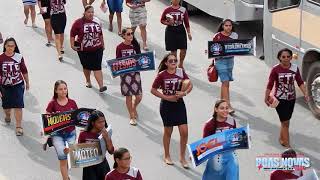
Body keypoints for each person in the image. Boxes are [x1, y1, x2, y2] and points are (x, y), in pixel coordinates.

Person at [151, 53, 193, 168]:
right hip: (166, 106)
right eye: (171, 61)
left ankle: (182, 157)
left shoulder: (180, 72)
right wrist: (166, 97)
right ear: (166, 63)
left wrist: (184, 93)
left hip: (179, 104)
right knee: (168, 132)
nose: (174, 62)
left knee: (184, 132)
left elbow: (190, 84)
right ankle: (167, 155)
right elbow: (153, 90)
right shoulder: (161, 75)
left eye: (175, 60)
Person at [264, 48, 308, 148]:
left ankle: (281, 138)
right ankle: (288, 146)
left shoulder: (295, 68)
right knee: (285, 122)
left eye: (288, 56)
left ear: (291, 57)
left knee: (286, 121)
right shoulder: (275, 69)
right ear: (279, 57)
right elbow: (270, 84)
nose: (286, 59)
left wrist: (305, 94)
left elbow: (300, 82)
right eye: (283, 57)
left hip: (292, 99)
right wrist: (266, 97)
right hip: (280, 99)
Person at [70, 5, 107, 93]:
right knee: (86, 66)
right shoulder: (78, 23)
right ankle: (88, 80)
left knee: (97, 67)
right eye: (89, 12)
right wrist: (72, 45)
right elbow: (72, 34)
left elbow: (100, 34)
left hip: (97, 48)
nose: (91, 14)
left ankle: (101, 86)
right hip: (84, 50)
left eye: (92, 12)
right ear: (84, 13)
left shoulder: (96, 21)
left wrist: (103, 44)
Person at [46, 80, 78, 180]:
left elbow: (78, 117)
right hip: (57, 135)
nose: (63, 91)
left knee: (69, 157)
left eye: (65, 88)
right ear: (56, 91)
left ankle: (65, 175)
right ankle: (65, 178)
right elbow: (47, 119)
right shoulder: (52, 104)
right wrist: (46, 131)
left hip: (71, 134)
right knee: (63, 159)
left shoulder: (72, 102)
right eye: (60, 89)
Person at [202, 99, 239, 180]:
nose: (225, 110)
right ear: (216, 109)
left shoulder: (232, 121)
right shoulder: (209, 124)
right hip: (216, 157)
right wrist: (195, 156)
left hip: (231, 156)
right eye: (222, 108)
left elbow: (236, 138)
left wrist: (244, 139)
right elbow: (204, 144)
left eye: (227, 108)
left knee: (232, 176)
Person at [0, 37, 29, 136]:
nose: (10, 48)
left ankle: (18, 126)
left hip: (18, 84)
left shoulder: (19, 57)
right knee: (7, 107)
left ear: (15, 47)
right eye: (8, 46)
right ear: (5, 46)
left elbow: (24, 70)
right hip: (5, 86)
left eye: (12, 46)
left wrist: (27, 82)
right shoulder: (1, 58)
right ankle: (8, 115)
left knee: (18, 105)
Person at [116, 28, 143, 125]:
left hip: (135, 74)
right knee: (129, 97)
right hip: (125, 74)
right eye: (128, 34)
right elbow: (117, 62)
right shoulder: (119, 47)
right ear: (123, 36)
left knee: (139, 96)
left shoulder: (135, 45)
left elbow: (140, 58)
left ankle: (133, 107)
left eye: (132, 33)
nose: (131, 35)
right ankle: (131, 116)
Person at [78, 110, 115, 180]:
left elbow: (111, 151)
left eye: (103, 121)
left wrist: (106, 138)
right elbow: (79, 151)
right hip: (89, 166)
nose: (102, 124)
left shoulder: (105, 132)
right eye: (99, 122)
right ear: (92, 123)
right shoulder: (83, 134)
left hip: (102, 165)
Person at [212, 19, 238, 114]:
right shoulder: (217, 36)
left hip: (230, 60)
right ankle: (228, 105)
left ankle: (221, 102)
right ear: (223, 26)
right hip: (220, 61)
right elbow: (212, 50)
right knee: (225, 82)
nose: (228, 27)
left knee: (226, 83)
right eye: (226, 25)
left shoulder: (234, 35)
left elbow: (237, 47)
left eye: (230, 25)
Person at [160, 0, 192, 69]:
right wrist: (168, 23)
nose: (176, 0)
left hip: (180, 29)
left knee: (183, 49)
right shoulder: (167, 9)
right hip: (170, 31)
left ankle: (181, 63)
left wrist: (189, 33)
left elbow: (186, 22)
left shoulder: (183, 10)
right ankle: (174, 65)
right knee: (173, 50)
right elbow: (162, 20)